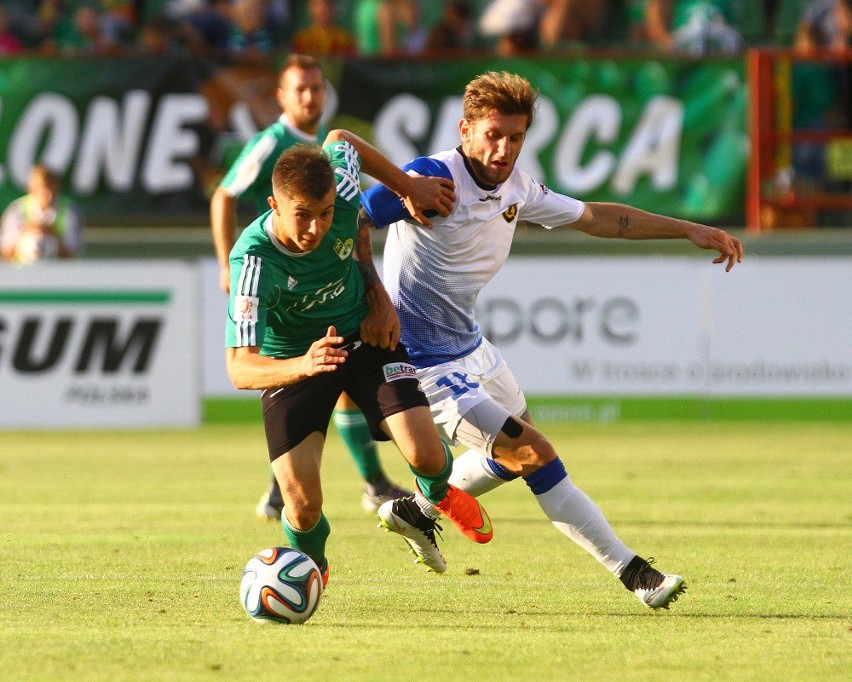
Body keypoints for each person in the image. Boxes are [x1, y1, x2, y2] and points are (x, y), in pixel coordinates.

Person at [360, 71, 743, 608]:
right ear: (465, 129)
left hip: (473, 348)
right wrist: (375, 298)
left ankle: (417, 512)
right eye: (492, 134)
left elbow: (600, 219)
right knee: (535, 453)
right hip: (423, 364)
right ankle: (636, 575)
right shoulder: (429, 178)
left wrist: (687, 229)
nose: (503, 148)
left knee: (514, 454)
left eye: (515, 138)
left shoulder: (517, 187)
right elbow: (353, 218)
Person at [224, 132, 492, 584]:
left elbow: (343, 142)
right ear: (273, 205)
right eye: (302, 216)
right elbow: (239, 368)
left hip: (362, 336)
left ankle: (434, 497)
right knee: (302, 504)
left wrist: (378, 292)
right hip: (293, 361)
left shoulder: (343, 192)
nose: (317, 228)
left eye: (325, 213)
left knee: (427, 454)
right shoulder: (253, 262)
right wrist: (304, 365)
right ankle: (314, 570)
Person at [210, 54, 412, 522]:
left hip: (331, 272)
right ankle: (301, 487)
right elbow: (224, 194)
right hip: (284, 281)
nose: (309, 97)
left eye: (317, 88)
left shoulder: (332, 147)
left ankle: (365, 481)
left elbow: (352, 217)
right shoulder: (271, 143)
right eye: (299, 89)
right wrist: (226, 262)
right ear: (281, 96)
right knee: (304, 371)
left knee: (337, 380)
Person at [1, 164, 83, 265]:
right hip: (21, 275)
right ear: (31, 188)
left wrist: (52, 233)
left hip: (58, 275)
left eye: (51, 187)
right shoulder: (17, 210)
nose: (48, 193)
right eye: (42, 187)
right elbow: (5, 252)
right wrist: (28, 231)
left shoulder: (69, 210)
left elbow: (72, 253)